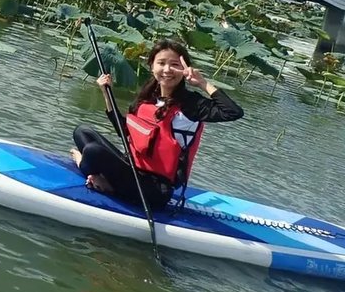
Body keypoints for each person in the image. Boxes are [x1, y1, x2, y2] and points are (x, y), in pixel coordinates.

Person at [70, 39, 244, 210]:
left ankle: (90, 170)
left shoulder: (191, 105)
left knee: (93, 151)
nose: (167, 70)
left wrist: (202, 82)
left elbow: (233, 112)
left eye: (175, 64)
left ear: (184, 69)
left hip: (153, 189)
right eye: (161, 63)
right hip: (130, 169)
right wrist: (106, 92)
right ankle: (105, 179)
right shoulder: (148, 97)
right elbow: (125, 131)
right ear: (152, 66)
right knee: (83, 132)